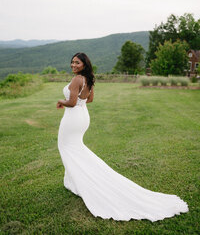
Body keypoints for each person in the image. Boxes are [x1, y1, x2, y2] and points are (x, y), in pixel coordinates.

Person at [57, 52, 188, 221]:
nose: (73, 65)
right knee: (76, 148)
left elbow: (72, 102)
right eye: (72, 62)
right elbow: (89, 100)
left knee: (67, 147)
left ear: (84, 64)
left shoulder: (77, 80)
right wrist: (77, 102)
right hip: (83, 117)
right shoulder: (88, 79)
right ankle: (73, 180)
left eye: (77, 63)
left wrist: (62, 101)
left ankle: (80, 181)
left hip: (73, 117)